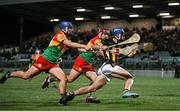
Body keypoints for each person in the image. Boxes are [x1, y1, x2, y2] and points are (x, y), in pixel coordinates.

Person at [0, 21, 89, 103]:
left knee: (64, 79)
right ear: (64, 29)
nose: (71, 30)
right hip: (44, 60)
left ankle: (63, 97)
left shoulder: (67, 39)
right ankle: (9, 74)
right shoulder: (60, 35)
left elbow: (77, 48)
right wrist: (84, 46)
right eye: (70, 28)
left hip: (53, 63)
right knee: (26, 76)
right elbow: (70, 44)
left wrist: (90, 49)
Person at [60, 28, 140, 105]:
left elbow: (118, 58)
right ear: (118, 35)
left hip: (106, 68)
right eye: (122, 34)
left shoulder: (118, 46)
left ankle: (70, 95)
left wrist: (132, 54)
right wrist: (101, 47)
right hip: (109, 66)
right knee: (129, 78)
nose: (123, 36)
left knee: (93, 88)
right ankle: (126, 91)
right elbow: (95, 46)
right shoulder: (108, 41)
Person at [42, 28, 110, 103]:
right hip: (82, 61)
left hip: (88, 64)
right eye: (105, 34)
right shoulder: (97, 40)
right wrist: (104, 51)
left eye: (108, 35)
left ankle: (89, 97)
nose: (107, 36)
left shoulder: (101, 42)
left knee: (96, 82)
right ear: (100, 34)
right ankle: (51, 79)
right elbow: (97, 47)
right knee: (70, 80)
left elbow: (92, 51)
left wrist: (105, 52)